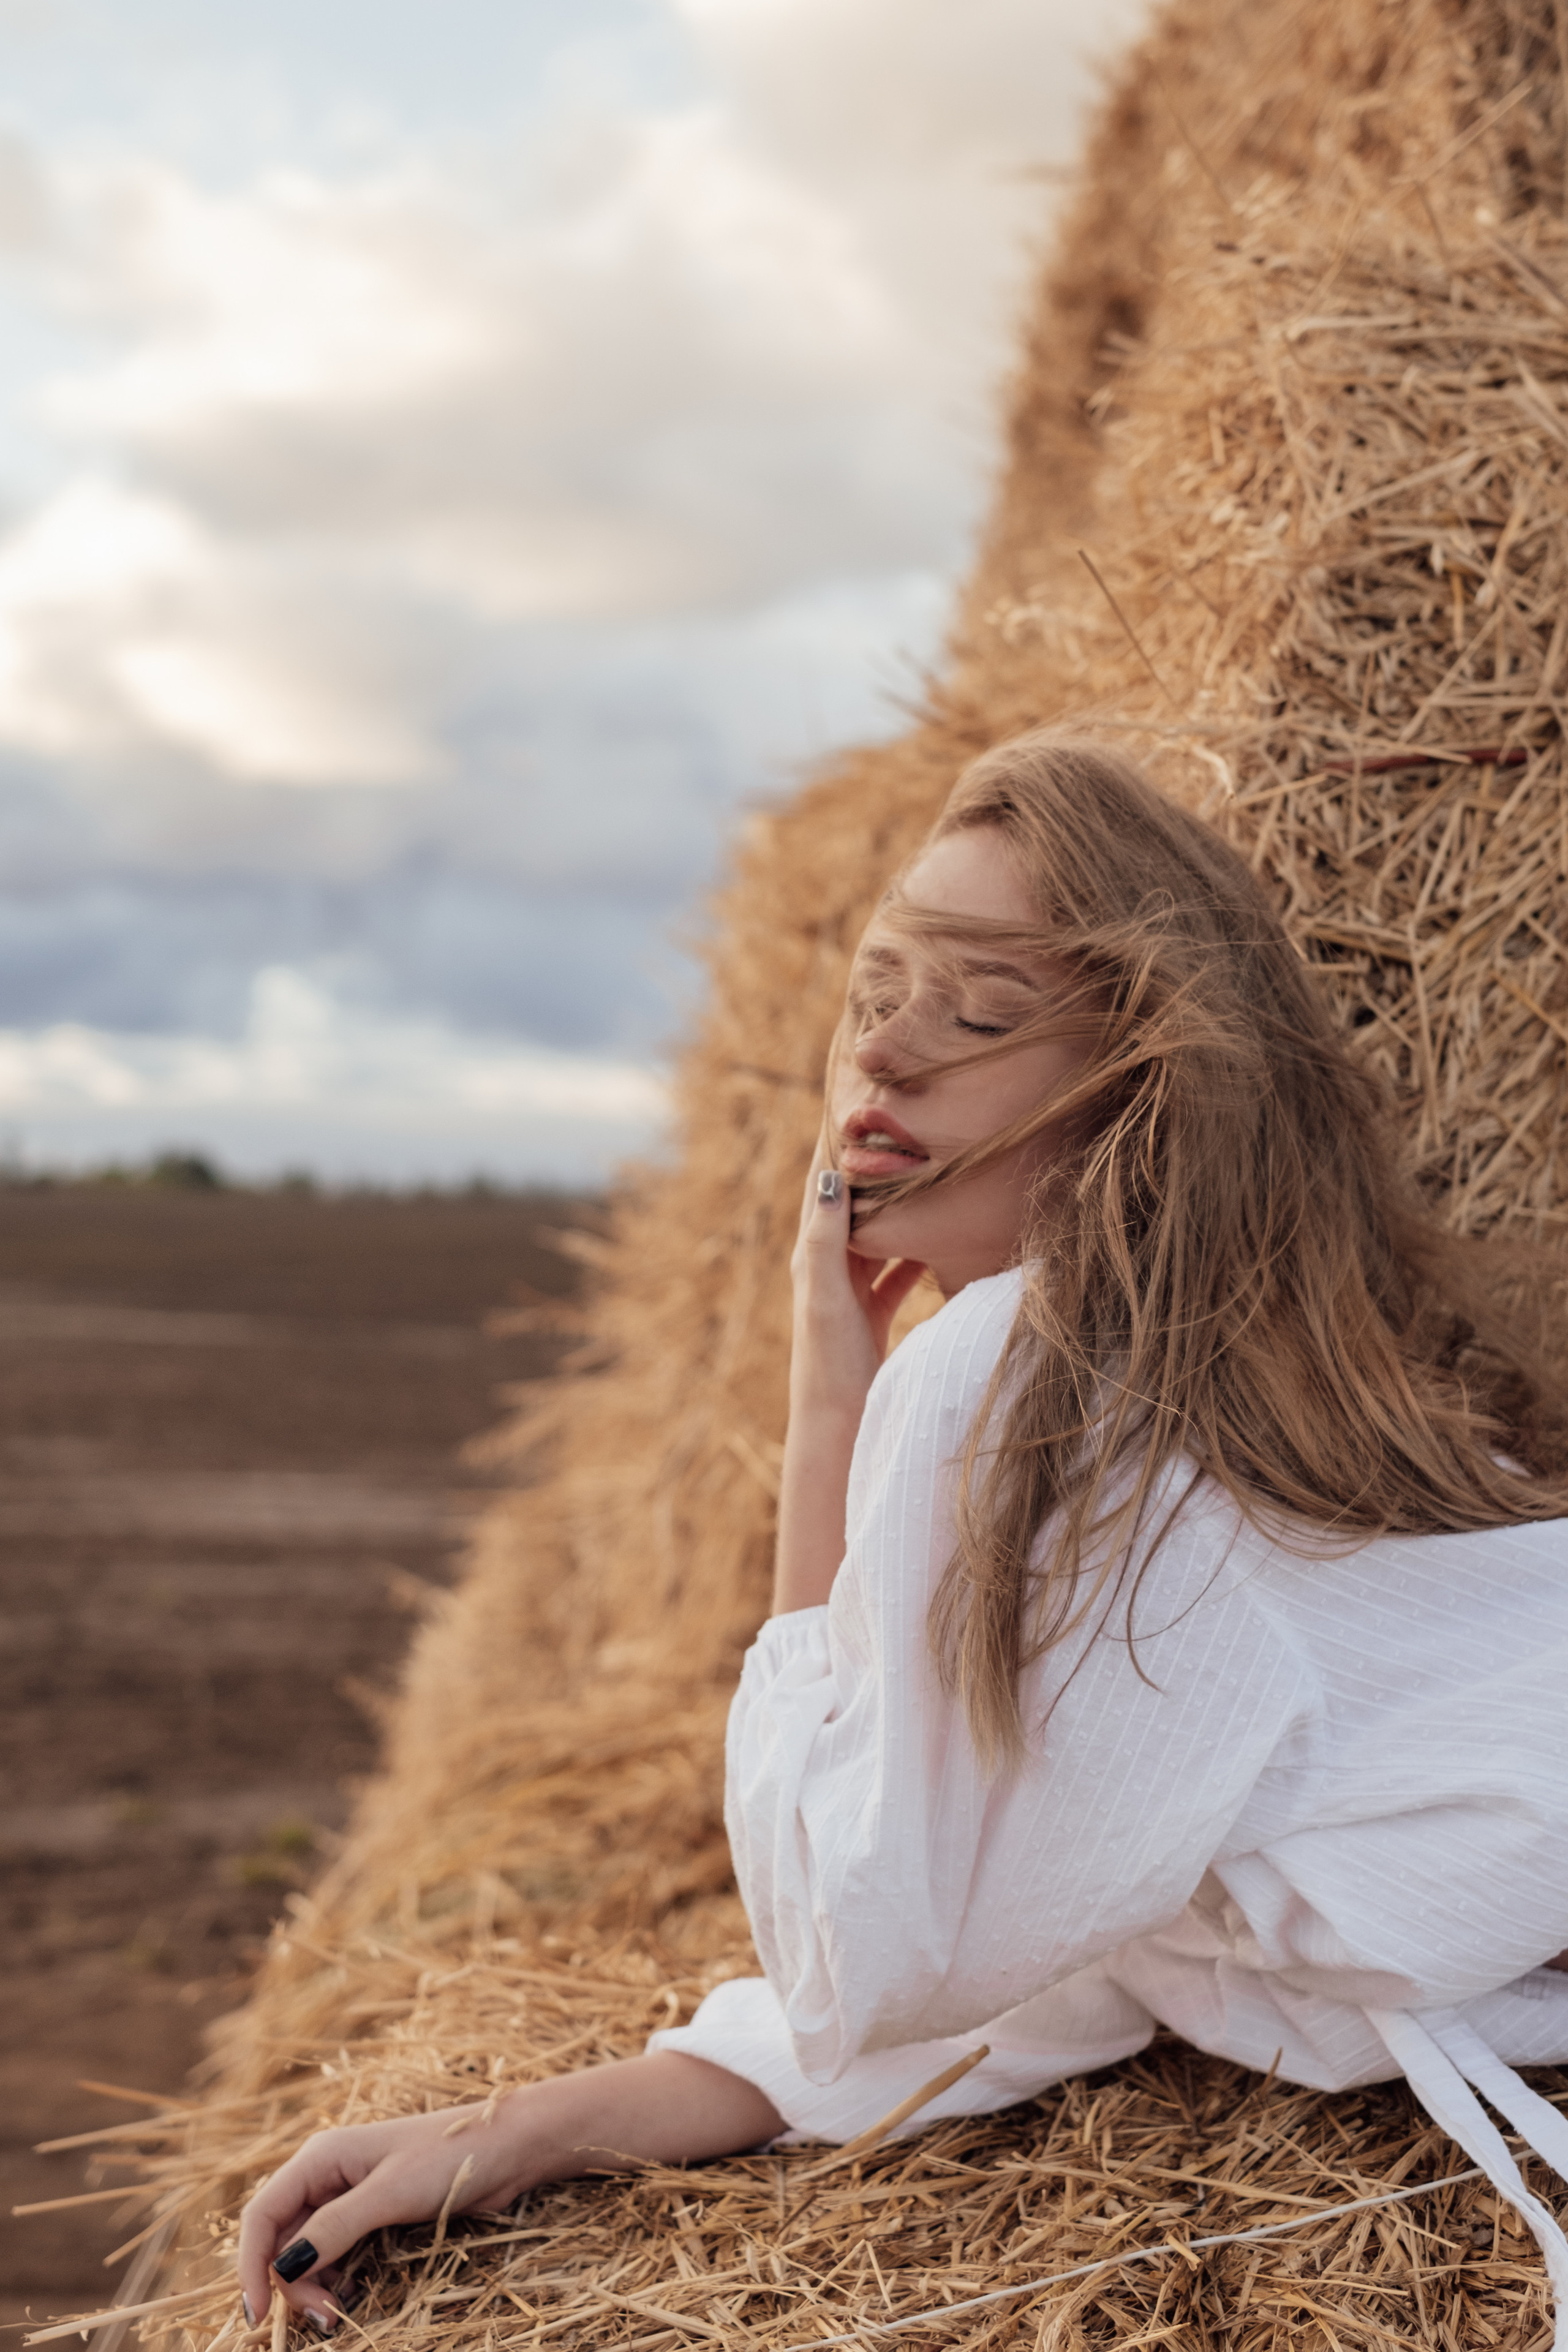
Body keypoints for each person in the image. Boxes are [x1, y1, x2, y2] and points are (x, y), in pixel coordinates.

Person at [239, 733, 1568, 2338]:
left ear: (1139, 1085)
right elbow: (1018, 1969)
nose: (887, 1060)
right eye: (877, 993)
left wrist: (828, 1400)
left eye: (981, 1015)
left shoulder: (1005, 1375)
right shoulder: (1200, 1388)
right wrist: (522, 2128)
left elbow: (849, 1940)